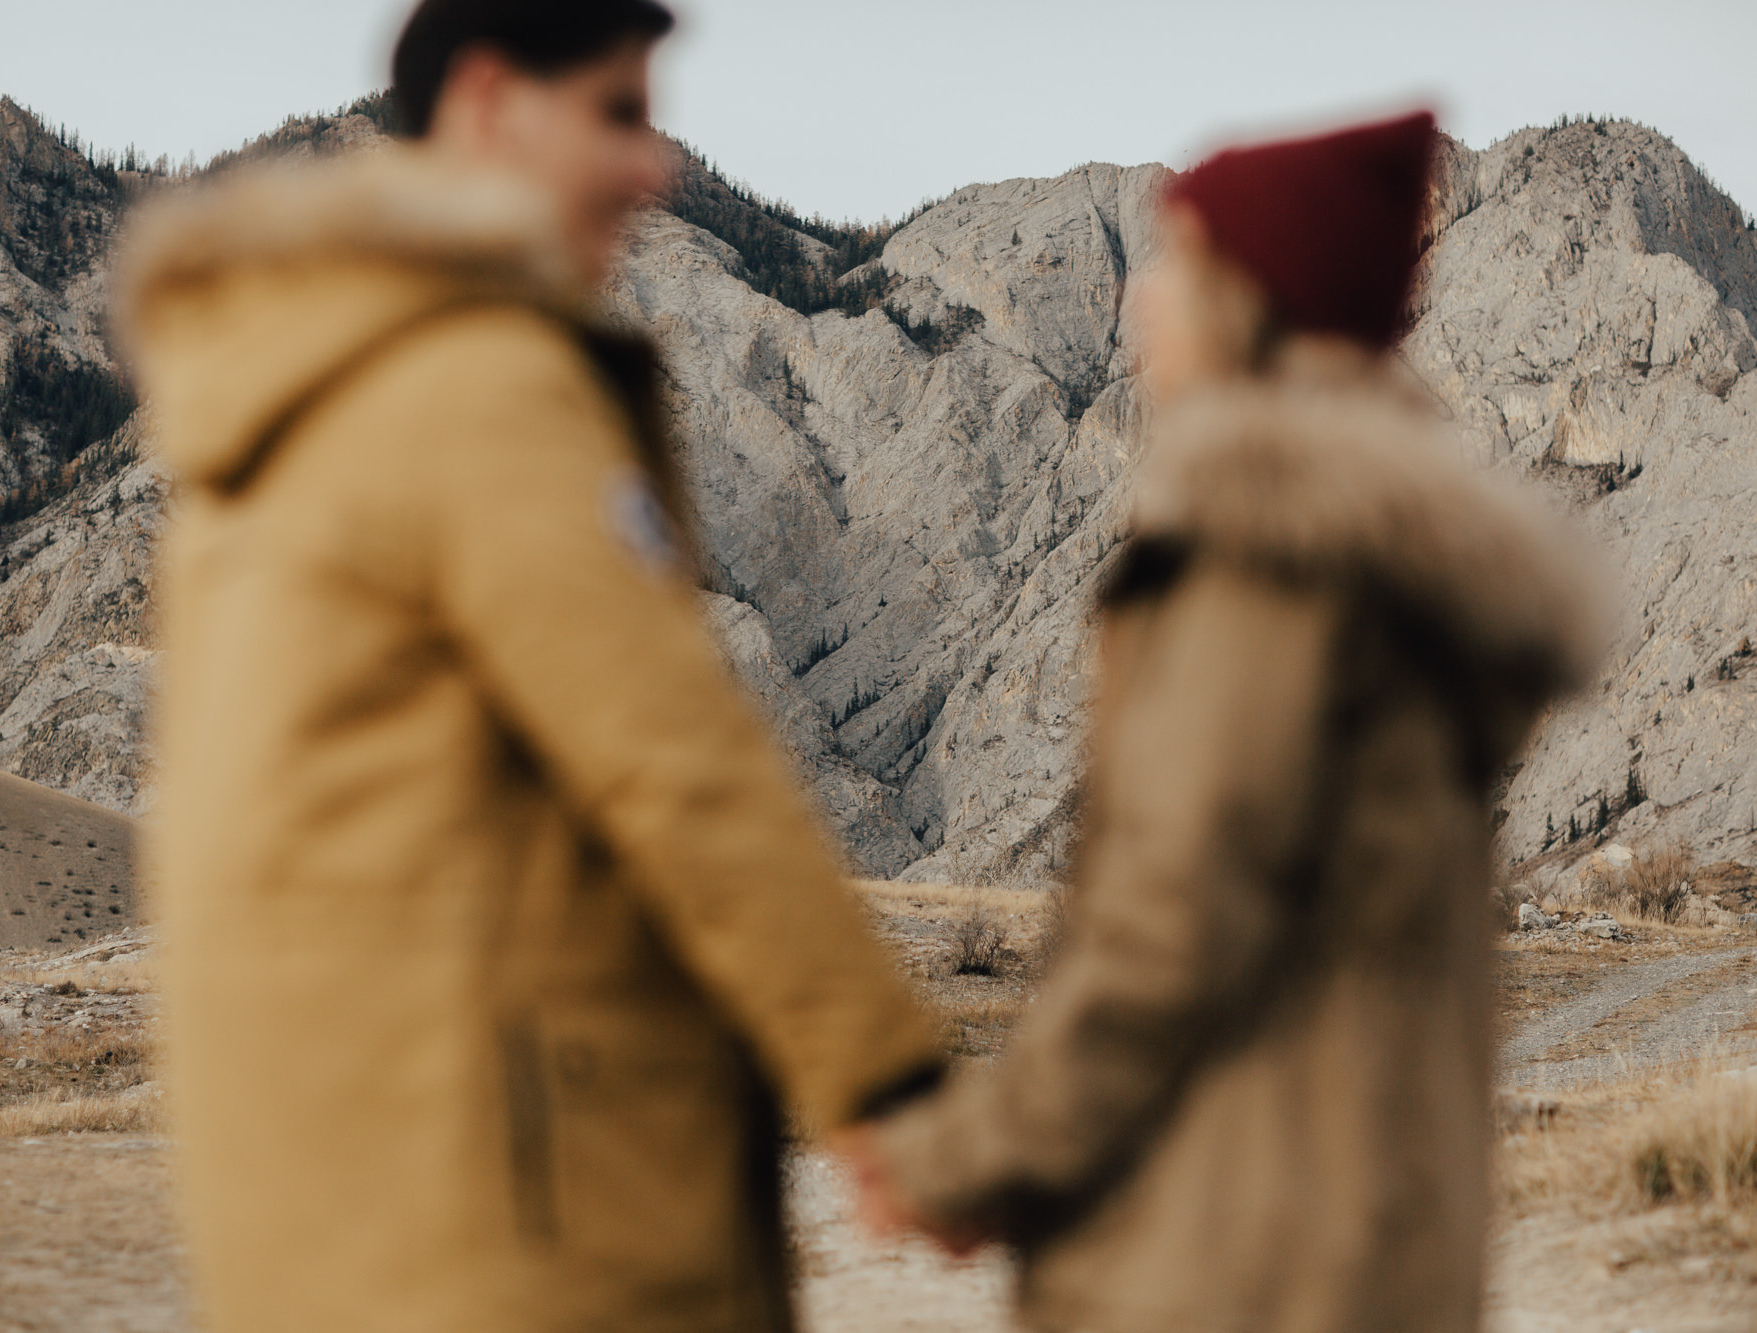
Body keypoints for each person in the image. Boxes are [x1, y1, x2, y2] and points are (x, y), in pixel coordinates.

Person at [122, 3, 940, 1329]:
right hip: (526, 1218)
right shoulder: (475, 385)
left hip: (337, 1207)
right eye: (618, 112)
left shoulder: (277, 394)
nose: (656, 165)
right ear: (492, 98)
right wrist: (885, 1077)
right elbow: (677, 762)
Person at [838, 112, 1602, 1333]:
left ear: (1249, 298)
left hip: (1225, 1256)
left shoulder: (1267, 558)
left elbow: (1169, 926)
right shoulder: (1385, 559)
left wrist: (965, 1156)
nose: (1138, 300)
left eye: (1176, 261)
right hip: (1366, 1239)